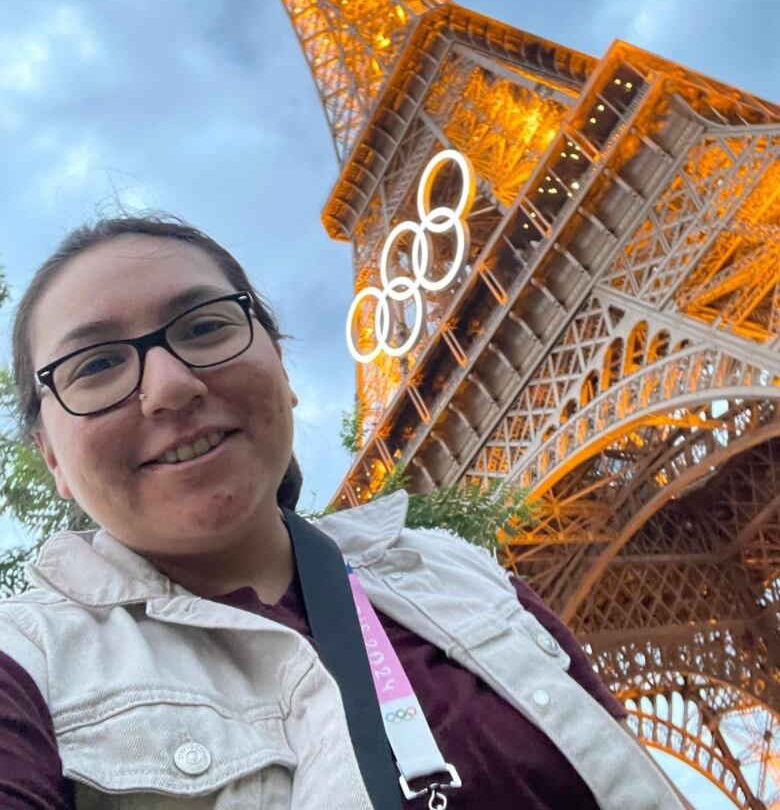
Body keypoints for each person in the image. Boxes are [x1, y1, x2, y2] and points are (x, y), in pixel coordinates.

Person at [0, 214, 692, 810]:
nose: (171, 387)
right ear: (51, 458)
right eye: (94, 366)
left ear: (283, 367)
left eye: (205, 325)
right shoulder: (25, 664)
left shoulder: (460, 574)